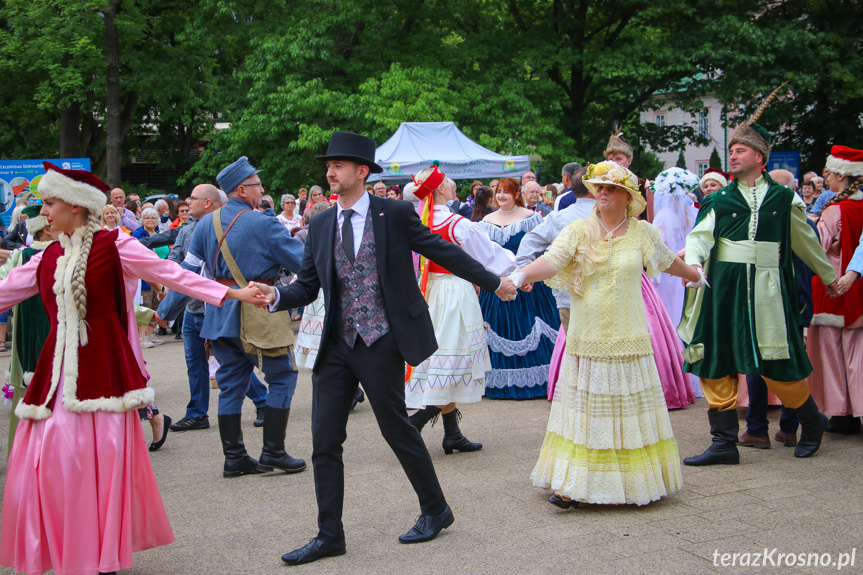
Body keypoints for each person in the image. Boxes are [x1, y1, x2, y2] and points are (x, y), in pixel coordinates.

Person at [252, 131, 517, 566]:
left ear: (361, 171)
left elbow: (440, 250)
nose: (329, 172)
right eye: (328, 165)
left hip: (381, 340)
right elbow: (307, 284)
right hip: (337, 345)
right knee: (324, 440)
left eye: (338, 165)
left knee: (396, 429)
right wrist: (277, 296)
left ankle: (436, 509)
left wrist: (494, 280)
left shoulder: (393, 213)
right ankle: (329, 535)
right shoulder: (319, 223)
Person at [0, 162, 261, 575]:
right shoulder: (46, 257)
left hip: (104, 373)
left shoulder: (114, 246)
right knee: (48, 462)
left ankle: (98, 554)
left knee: (98, 460)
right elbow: (4, 293)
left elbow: (172, 275)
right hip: (54, 375)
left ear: (76, 205)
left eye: (50, 202)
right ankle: (63, 547)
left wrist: (233, 293)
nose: (43, 211)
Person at [515, 161, 701, 508]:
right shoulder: (576, 230)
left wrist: (694, 274)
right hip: (587, 338)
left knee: (626, 410)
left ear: (628, 197)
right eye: (598, 186)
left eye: (611, 188)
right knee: (586, 413)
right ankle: (573, 484)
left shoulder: (642, 233)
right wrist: (519, 276)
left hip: (628, 336)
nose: (601, 192)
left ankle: (633, 483)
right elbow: (552, 262)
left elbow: (667, 262)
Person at [679, 119, 839, 465]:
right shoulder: (719, 198)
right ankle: (723, 442)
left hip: (769, 290)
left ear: (760, 157)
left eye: (740, 151)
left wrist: (829, 277)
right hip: (724, 288)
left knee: (775, 361)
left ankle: (811, 422)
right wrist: (693, 267)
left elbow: (806, 244)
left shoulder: (784, 199)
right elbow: (699, 238)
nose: (732, 157)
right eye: (732, 151)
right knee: (716, 358)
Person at [186, 156, 307, 478]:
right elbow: (303, 264)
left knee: (230, 387)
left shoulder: (204, 224)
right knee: (283, 377)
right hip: (258, 310)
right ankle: (273, 452)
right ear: (242, 189)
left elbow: (185, 275)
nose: (262, 190)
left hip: (217, 315)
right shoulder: (263, 223)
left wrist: (163, 313)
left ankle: (235, 458)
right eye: (257, 184)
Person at [405, 166, 517, 453]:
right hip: (454, 292)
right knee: (453, 363)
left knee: (442, 359)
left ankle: (452, 433)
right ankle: (414, 423)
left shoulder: (418, 221)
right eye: (449, 184)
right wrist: (518, 273)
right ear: (440, 189)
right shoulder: (457, 224)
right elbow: (489, 256)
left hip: (427, 292)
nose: (454, 187)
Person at [479, 177, 560, 399]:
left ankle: (541, 380)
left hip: (528, 283)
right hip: (496, 284)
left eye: (506, 192)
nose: (501, 196)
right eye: (498, 192)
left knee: (532, 325)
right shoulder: (486, 221)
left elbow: (544, 249)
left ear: (517, 194)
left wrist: (529, 272)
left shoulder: (532, 218)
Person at [807, 145, 863, 434]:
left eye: (828, 173)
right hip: (857, 289)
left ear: (841, 175)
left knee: (830, 354)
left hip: (831, 289)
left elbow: (817, 250)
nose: (825, 178)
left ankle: (841, 413)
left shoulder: (834, 211)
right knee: (857, 354)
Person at [1, 203, 55, 454]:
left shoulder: (21, 256)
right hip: (40, 336)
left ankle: (20, 453)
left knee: (26, 394)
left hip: (38, 337)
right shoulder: (61, 253)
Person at [517, 176, 596, 332]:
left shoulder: (559, 217)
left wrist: (524, 270)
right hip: (604, 296)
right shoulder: (611, 217)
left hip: (568, 297)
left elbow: (529, 241)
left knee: (574, 346)